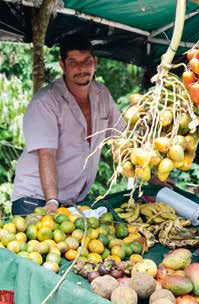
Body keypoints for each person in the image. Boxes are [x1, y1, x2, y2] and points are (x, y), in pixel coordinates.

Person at [11, 33, 126, 215]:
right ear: (62, 65)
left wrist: (151, 177)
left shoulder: (102, 95)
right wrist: (51, 201)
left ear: (95, 62)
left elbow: (121, 142)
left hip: (72, 202)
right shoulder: (46, 101)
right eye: (73, 62)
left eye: (86, 61)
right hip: (36, 200)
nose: (81, 68)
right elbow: (46, 154)